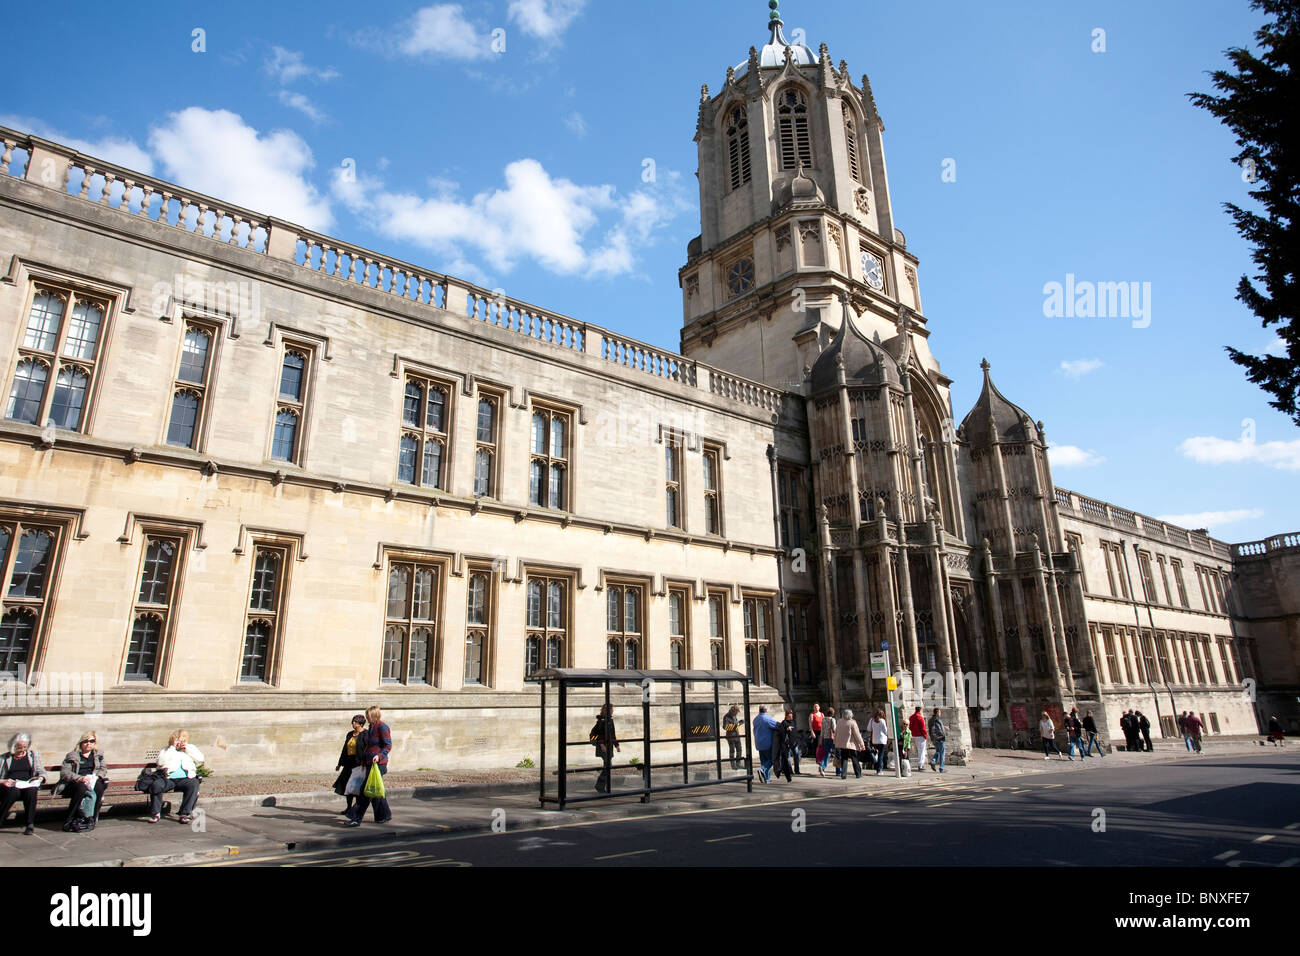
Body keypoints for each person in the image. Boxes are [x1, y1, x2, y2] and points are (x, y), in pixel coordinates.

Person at [346, 706, 392, 825]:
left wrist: (379, 756)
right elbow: (368, 746)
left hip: (378, 763)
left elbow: (388, 745)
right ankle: (384, 815)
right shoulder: (371, 727)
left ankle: (356, 818)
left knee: (365, 791)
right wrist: (363, 761)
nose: (366, 718)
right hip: (369, 762)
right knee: (375, 789)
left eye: (368, 715)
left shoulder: (382, 727)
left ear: (374, 715)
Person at [146, 729, 204, 824]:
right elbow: (160, 762)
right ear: (173, 740)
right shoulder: (166, 750)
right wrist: (172, 748)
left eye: (183, 740)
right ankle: (155, 813)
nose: (180, 743)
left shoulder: (190, 748)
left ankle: (185, 813)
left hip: (185, 778)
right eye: (178, 740)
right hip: (168, 778)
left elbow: (200, 759)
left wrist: (187, 749)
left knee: (193, 784)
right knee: (156, 785)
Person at [57, 731, 108, 832]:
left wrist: (97, 776)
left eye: (92, 741)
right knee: (81, 788)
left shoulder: (98, 755)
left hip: (91, 780)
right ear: (81, 743)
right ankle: (70, 818)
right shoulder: (72, 756)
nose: (88, 744)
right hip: (74, 783)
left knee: (99, 786)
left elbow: (103, 769)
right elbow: (65, 773)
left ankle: (92, 818)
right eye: (85, 741)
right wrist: (79, 778)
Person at [0, 732, 45, 835]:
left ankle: (29, 824)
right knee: (13, 792)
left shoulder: (33, 755)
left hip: (27, 784)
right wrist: (4, 781)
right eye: (19, 747)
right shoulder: (4, 758)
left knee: (31, 791)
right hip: (10, 786)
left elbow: (42, 772)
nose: (22, 750)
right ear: (13, 746)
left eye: (25, 747)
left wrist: (40, 778)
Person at [332, 714, 367, 815]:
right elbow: (345, 749)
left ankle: (357, 809)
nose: (353, 723)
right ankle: (348, 807)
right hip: (349, 763)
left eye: (355, 722)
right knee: (348, 787)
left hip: (359, 764)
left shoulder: (365, 734)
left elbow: (366, 749)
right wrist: (340, 764)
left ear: (360, 723)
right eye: (353, 721)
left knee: (357, 787)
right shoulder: (350, 734)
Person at [833, 708, 866, 779]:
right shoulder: (852, 722)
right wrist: (862, 744)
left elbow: (836, 733)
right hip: (851, 744)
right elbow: (857, 735)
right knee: (854, 758)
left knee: (844, 758)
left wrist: (835, 742)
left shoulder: (839, 722)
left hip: (842, 744)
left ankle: (843, 774)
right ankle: (858, 773)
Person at [752, 705, 779, 783]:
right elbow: (776, 725)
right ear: (766, 710)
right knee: (771, 759)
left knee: (764, 760)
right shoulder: (767, 718)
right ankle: (762, 769)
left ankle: (767, 779)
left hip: (759, 743)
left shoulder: (755, 719)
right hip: (767, 743)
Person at [865, 708, 891, 775]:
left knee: (876, 754)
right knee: (880, 755)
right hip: (882, 740)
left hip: (874, 740)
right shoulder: (882, 721)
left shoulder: (872, 720)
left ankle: (877, 767)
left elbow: (868, 729)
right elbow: (885, 731)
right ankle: (879, 769)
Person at [778, 708, 800, 778]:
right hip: (787, 743)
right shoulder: (784, 723)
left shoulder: (793, 722)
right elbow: (781, 733)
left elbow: (795, 732)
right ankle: (790, 770)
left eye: (792, 716)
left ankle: (797, 770)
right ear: (787, 716)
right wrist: (786, 729)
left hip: (794, 742)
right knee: (788, 757)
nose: (791, 717)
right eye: (790, 716)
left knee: (796, 756)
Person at [817, 707, 837, 776]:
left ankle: (822, 766)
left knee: (826, 754)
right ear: (832, 713)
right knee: (837, 754)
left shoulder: (823, 719)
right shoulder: (832, 719)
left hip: (825, 738)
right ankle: (838, 771)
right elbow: (834, 729)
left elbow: (822, 730)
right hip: (832, 739)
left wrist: (820, 739)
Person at [723, 704, 743, 771]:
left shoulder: (734, 717)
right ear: (733, 711)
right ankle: (733, 765)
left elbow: (736, 724)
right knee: (732, 751)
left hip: (736, 735)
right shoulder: (726, 717)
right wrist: (735, 726)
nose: (736, 714)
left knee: (739, 749)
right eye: (736, 712)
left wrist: (739, 723)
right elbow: (725, 727)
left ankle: (738, 763)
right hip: (731, 736)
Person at [928, 708, 947, 773]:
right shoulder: (937, 720)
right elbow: (939, 729)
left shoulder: (930, 720)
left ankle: (933, 761)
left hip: (934, 739)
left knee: (938, 751)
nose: (940, 713)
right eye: (939, 712)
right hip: (940, 738)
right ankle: (941, 768)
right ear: (937, 713)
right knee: (942, 753)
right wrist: (943, 735)